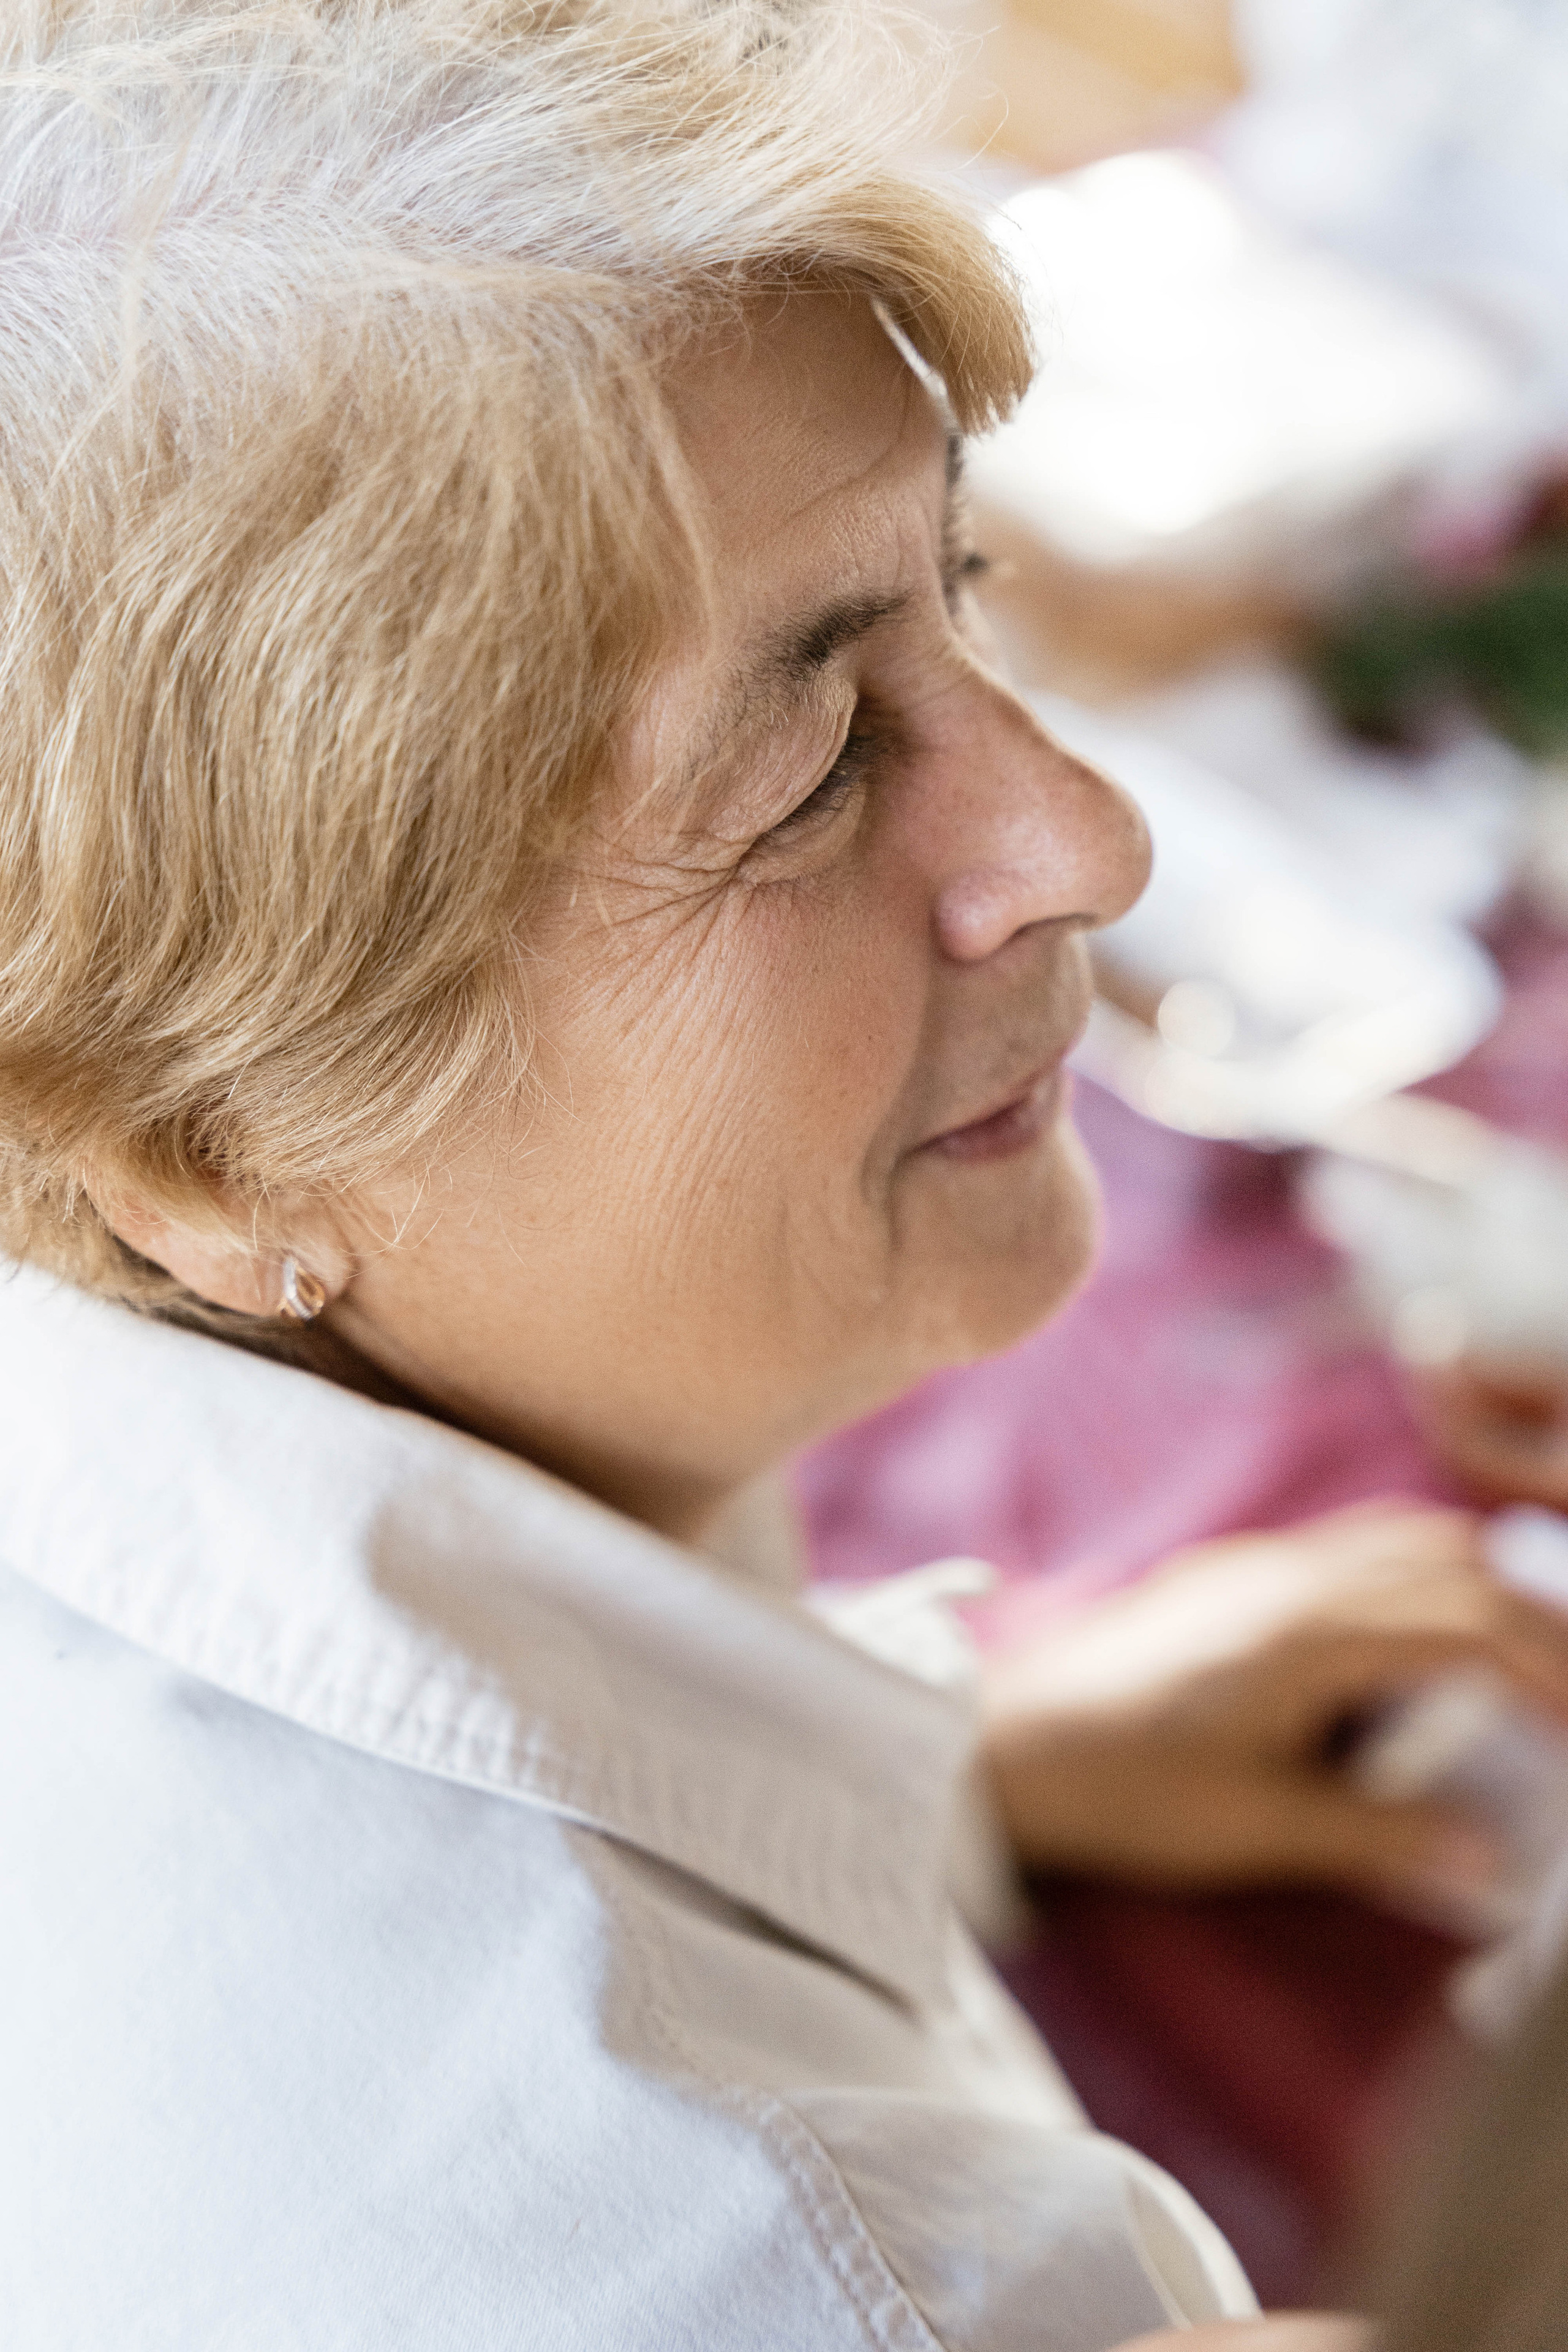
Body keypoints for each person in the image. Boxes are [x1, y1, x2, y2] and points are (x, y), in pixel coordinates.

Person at [4, 4, 1568, 2345]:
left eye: (968, 584)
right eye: (815, 766)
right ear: (213, 1149)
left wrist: (974, 1784)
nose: (1089, 839)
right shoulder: (790, 2273)